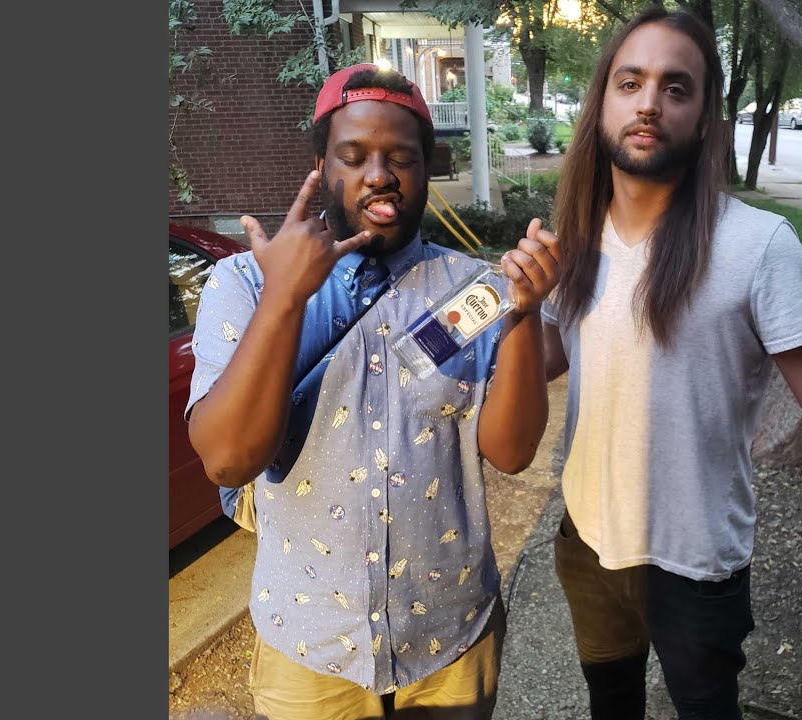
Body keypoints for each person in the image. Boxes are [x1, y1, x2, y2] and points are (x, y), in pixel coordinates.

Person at [537, 8, 802, 720]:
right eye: (630, 83)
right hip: (588, 541)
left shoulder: (757, 246)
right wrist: (497, 326)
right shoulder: (572, 238)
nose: (648, 102)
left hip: (696, 564)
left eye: (676, 88)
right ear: (601, 105)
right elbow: (548, 356)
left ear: (703, 121)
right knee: (611, 704)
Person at [185, 63, 561, 720]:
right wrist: (285, 299)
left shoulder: (472, 291)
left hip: (450, 640)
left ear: (426, 170)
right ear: (320, 165)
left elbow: (510, 452)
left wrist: (522, 314)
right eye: (353, 156)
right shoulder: (245, 283)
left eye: (402, 158)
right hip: (311, 648)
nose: (379, 175)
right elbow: (227, 460)